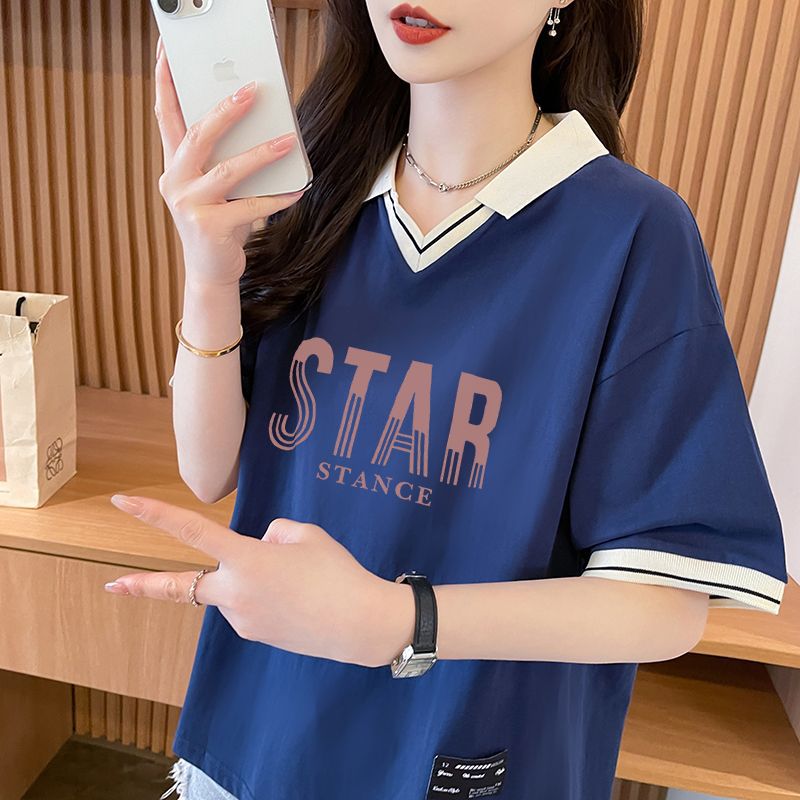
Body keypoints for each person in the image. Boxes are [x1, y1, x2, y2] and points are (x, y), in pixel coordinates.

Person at [103, 1, 788, 799]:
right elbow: (211, 467)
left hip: (463, 762)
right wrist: (208, 276)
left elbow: (667, 606)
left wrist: (398, 621)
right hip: (258, 747)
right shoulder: (315, 189)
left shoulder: (633, 235)